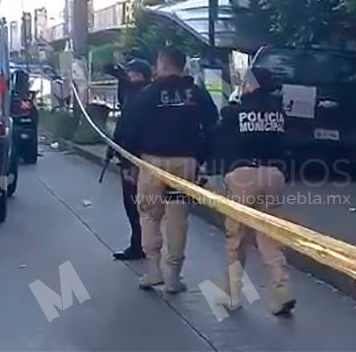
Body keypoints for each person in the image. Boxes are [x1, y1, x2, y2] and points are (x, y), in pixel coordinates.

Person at [123, 47, 218, 293]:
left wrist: (128, 163)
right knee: (177, 217)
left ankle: (153, 270)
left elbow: (129, 128)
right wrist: (201, 159)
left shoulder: (147, 94)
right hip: (184, 164)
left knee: (149, 215)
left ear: (163, 65)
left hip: (152, 163)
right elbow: (212, 127)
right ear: (183, 66)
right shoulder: (196, 94)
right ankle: (174, 276)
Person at [214, 67, 295, 316]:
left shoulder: (232, 113)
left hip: (243, 176)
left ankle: (232, 294)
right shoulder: (279, 112)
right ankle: (282, 291)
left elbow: (219, 142)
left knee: (236, 237)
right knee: (269, 237)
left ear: (250, 85)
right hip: (274, 176)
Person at [106, 58, 153, 260]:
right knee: (133, 205)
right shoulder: (132, 94)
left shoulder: (141, 97)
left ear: (141, 76)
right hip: (130, 155)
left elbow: (130, 129)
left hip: (135, 158)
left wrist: (127, 160)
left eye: (132, 73)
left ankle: (141, 245)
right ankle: (139, 243)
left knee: (136, 204)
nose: (129, 77)